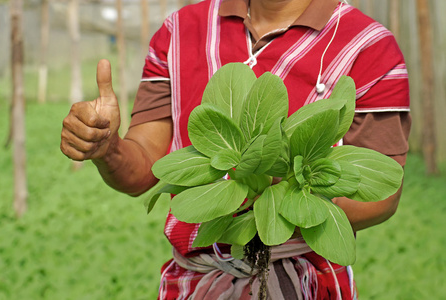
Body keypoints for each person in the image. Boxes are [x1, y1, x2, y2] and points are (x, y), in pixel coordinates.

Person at [60, 0, 411, 298]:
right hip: (194, 282)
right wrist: (109, 149)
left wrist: (274, 199)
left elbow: (379, 195)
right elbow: (144, 169)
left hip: (306, 285)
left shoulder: (368, 46)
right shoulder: (180, 31)